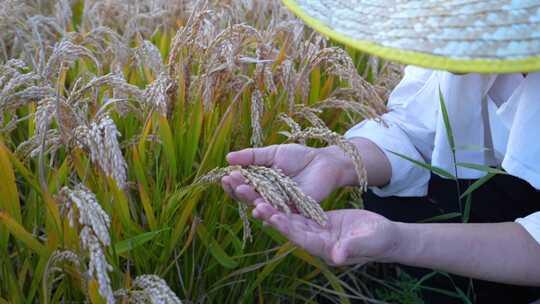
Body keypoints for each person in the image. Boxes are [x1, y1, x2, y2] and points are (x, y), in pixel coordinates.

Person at [222, 1, 540, 302]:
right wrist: (336, 161)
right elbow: (416, 126)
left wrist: (400, 241)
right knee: (398, 200)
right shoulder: (456, 31)